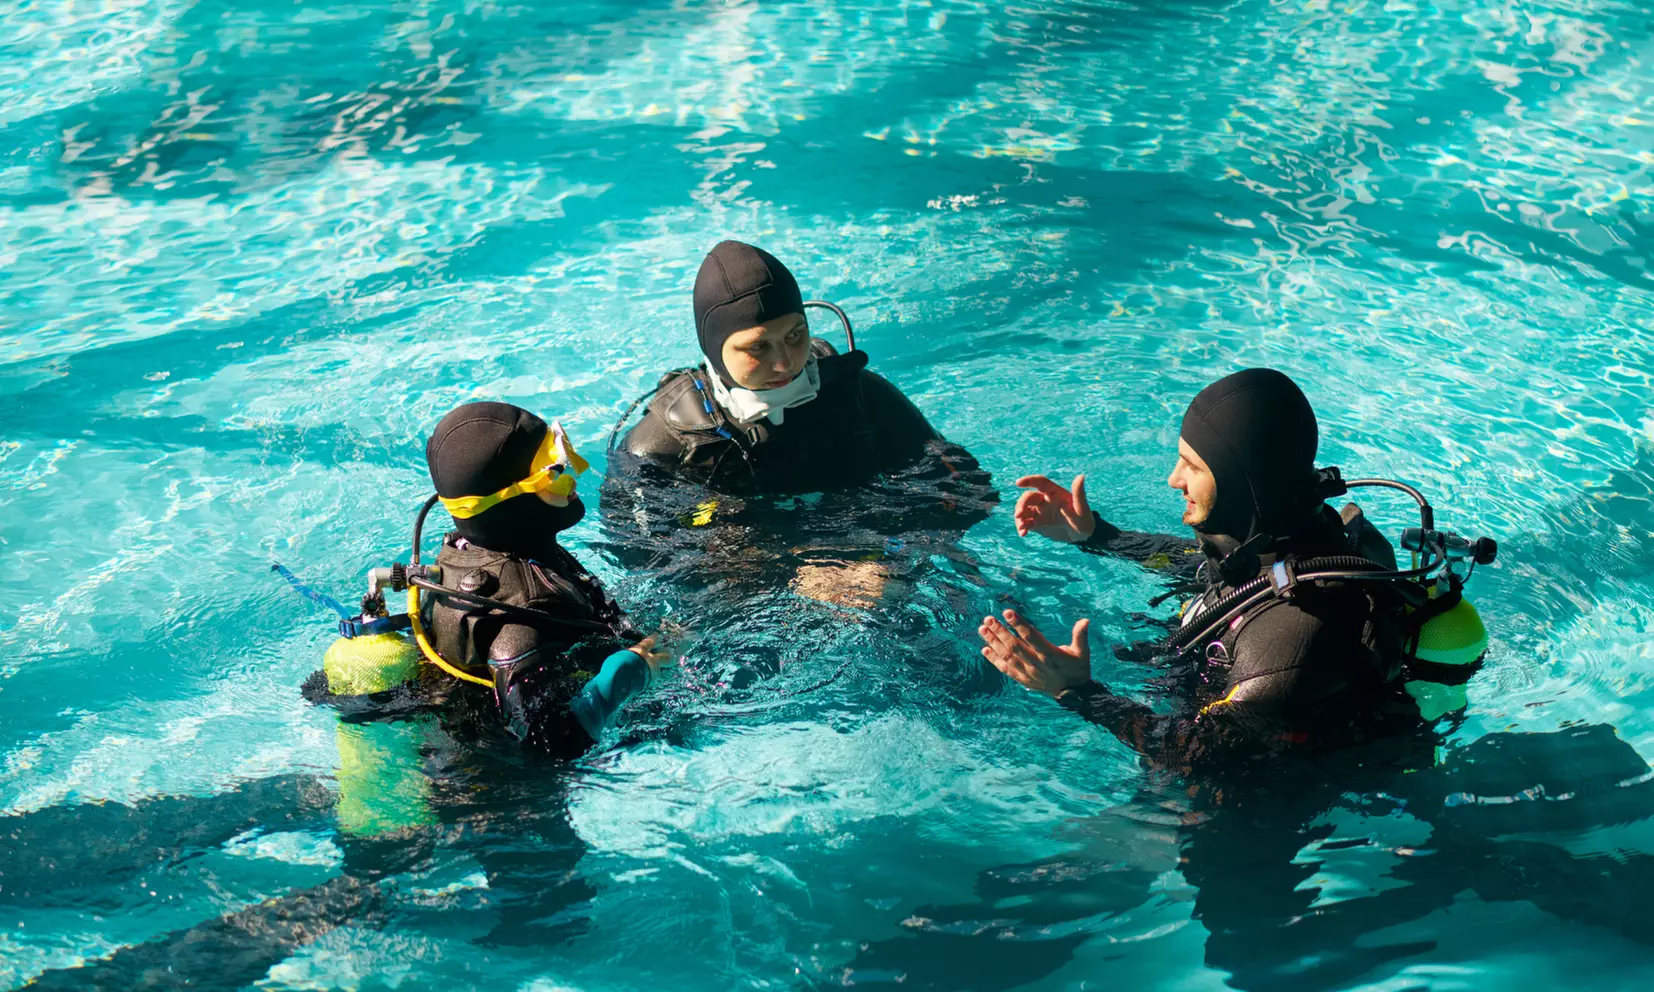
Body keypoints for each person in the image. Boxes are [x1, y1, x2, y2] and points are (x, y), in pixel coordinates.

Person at [978, 368, 1432, 767]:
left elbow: (1197, 756)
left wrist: (1080, 693)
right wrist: (1097, 535)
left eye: (1192, 465)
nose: (1174, 478)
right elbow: (1191, 563)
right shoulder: (1286, 532)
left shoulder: (1293, 638)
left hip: (1254, 812)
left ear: (1242, 481)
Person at [604, 240, 996, 607]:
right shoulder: (664, 446)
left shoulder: (856, 393)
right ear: (714, 347)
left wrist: (902, 552)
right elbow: (646, 559)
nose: (785, 362)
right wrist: (794, 576)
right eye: (758, 346)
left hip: (881, 566)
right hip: (761, 598)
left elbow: (961, 486)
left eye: (795, 335)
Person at [305, 400, 670, 758]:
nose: (572, 478)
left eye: (563, 456)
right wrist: (624, 675)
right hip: (492, 800)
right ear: (510, 504)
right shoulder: (519, 622)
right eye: (553, 473)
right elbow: (552, 745)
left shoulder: (475, 551)